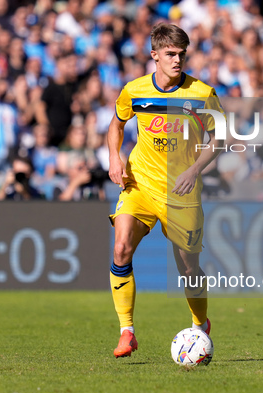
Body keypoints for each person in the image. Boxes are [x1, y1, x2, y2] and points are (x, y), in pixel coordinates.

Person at [107, 23, 224, 358]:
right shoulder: (135, 90)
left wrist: (194, 169)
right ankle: (127, 331)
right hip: (140, 183)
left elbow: (218, 139)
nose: (177, 60)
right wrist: (115, 157)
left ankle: (199, 324)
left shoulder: (202, 93)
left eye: (182, 54)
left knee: (188, 268)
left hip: (181, 191)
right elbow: (116, 125)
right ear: (154, 55)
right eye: (171, 54)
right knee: (121, 248)